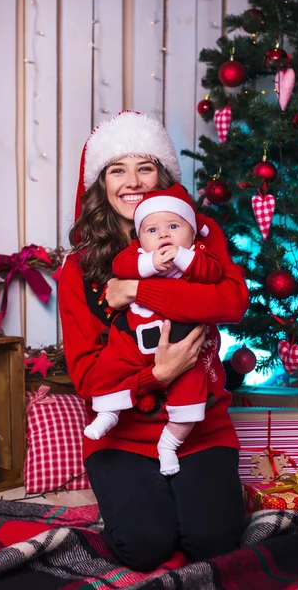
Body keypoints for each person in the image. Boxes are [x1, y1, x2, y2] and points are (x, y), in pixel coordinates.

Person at [58, 110, 249, 572]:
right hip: (122, 435)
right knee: (146, 547)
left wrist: (138, 290)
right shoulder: (78, 269)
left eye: (145, 167)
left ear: (162, 175)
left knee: (215, 545)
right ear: (100, 183)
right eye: (117, 170)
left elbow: (230, 301)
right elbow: (88, 378)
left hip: (202, 425)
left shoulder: (198, 235)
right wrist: (157, 374)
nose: (132, 181)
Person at [84, 183, 224, 476]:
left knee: (190, 395)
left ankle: (169, 444)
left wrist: (183, 257)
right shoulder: (136, 255)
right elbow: (122, 265)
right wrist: (150, 263)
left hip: (182, 343)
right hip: (135, 337)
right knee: (110, 367)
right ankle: (108, 411)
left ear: (192, 232)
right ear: (140, 238)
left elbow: (214, 275)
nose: (163, 234)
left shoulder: (199, 254)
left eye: (174, 226)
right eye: (152, 230)